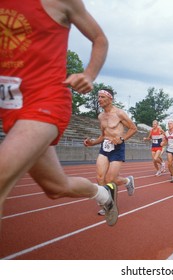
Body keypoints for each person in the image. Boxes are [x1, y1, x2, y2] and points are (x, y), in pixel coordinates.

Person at [0, 0, 120, 228]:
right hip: (10, 105)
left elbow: (100, 39)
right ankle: (104, 194)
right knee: (56, 187)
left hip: (45, 101)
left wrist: (89, 74)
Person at [84, 88, 137, 215]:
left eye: (102, 97)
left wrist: (122, 138)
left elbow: (133, 128)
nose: (99, 99)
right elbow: (103, 136)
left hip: (117, 148)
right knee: (100, 178)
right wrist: (92, 142)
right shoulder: (101, 116)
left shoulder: (119, 113)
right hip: (105, 147)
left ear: (110, 98)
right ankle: (108, 204)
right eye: (99, 97)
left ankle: (127, 181)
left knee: (110, 179)